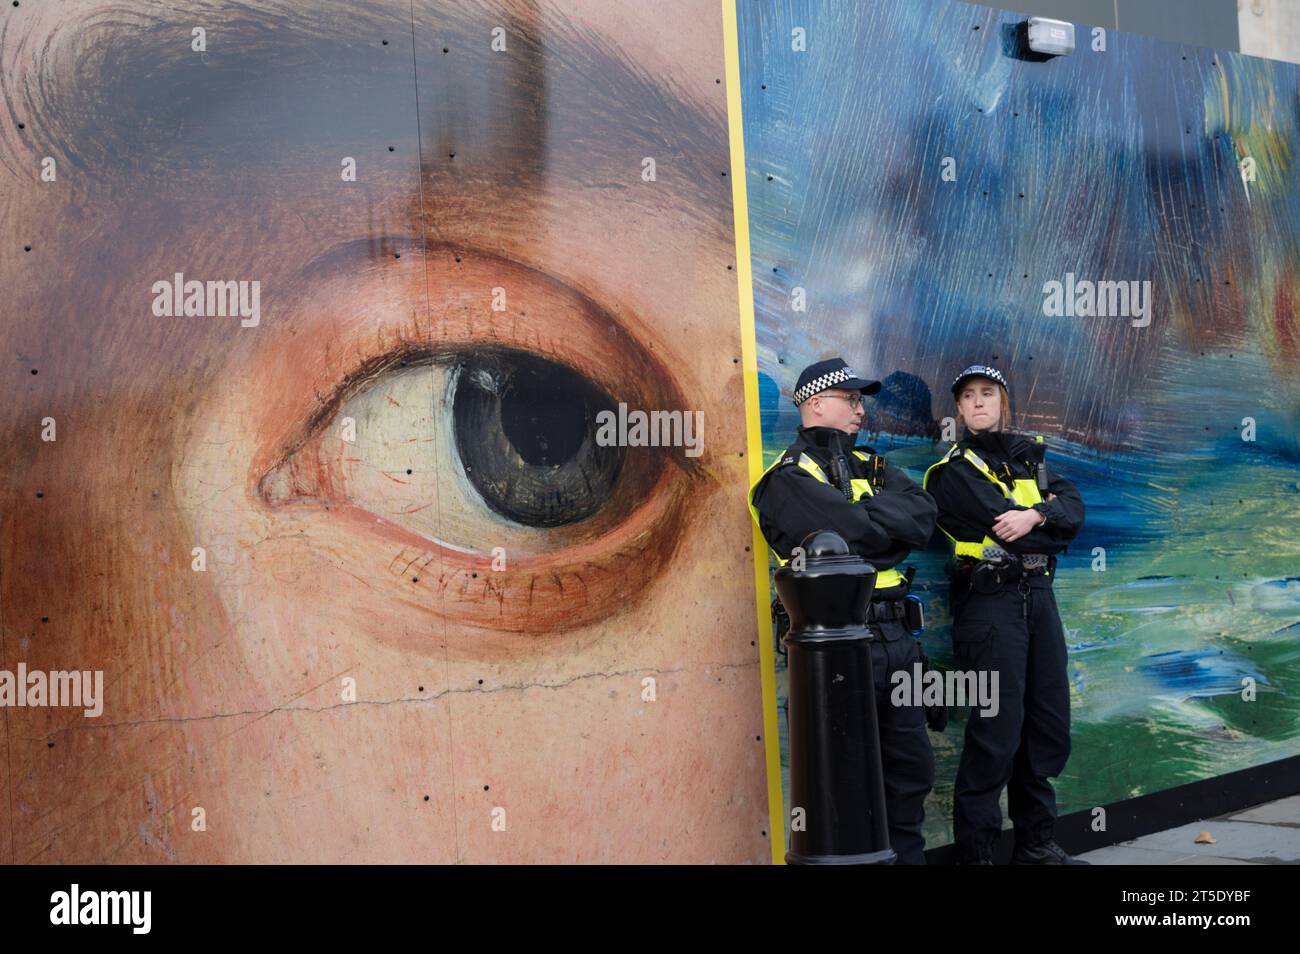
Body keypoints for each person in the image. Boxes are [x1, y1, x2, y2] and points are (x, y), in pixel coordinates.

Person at [749, 357, 938, 864]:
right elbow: (856, 537)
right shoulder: (784, 480)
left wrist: (872, 528)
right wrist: (880, 529)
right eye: (850, 400)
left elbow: (922, 518)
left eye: (861, 401)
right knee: (847, 788)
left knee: (909, 777)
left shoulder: (871, 464)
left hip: (899, 643)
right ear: (815, 403)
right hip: (838, 655)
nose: (860, 410)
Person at [922, 365, 1087, 865]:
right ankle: (978, 855)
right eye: (968, 396)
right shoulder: (954, 471)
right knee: (996, 731)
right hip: (990, 605)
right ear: (958, 409)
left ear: (1003, 402)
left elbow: (1074, 515)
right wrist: (1044, 520)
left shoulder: (1030, 461)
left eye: (987, 394)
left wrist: (1037, 514)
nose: (977, 403)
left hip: (1039, 598)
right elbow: (1003, 530)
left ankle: (1036, 844)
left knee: (1047, 722)